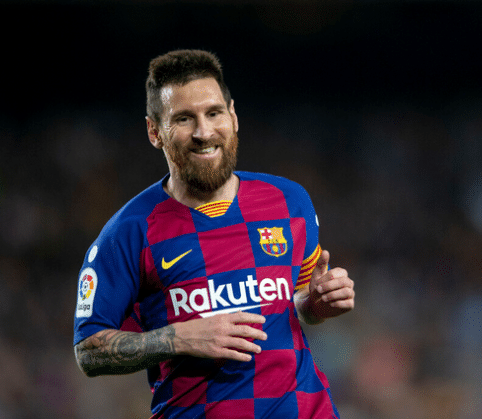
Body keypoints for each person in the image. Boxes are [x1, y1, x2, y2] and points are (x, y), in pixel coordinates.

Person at [72, 49, 355, 418]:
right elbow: (89, 351)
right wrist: (179, 338)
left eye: (214, 113)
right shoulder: (130, 231)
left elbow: (299, 306)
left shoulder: (289, 200)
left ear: (233, 116)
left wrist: (316, 304)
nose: (204, 132)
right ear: (155, 132)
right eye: (184, 118)